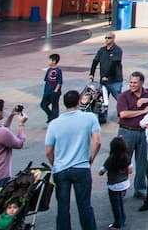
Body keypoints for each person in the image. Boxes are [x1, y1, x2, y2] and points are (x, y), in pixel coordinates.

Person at [45, 89, 103, 230]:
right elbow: (97, 142)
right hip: (81, 167)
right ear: (78, 102)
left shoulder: (54, 124)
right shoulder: (89, 118)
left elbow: (48, 151)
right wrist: (90, 159)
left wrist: (55, 164)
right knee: (84, 206)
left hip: (61, 169)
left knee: (63, 208)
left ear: (64, 103)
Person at [114, 71, 148, 199]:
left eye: (135, 82)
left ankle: (140, 188)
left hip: (143, 133)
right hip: (127, 131)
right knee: (123, 161)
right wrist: (143, 111)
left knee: (143, 162)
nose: (132, 85)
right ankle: (121, 187)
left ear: (142, 82)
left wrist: (147, 100)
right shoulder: (124, 96)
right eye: (130, 82)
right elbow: (123, 114)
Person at [99, 134, 132, 230]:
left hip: (113, 185)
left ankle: (117, 223)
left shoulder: (111, 159)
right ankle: (123, 218)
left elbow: (101, 171)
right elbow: (130, 170)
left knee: (115, 205)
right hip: (124, 183)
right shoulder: (127, 156)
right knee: (120, 202)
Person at [0, 100, 27, 189]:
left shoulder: (1, 131)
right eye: (3, 109)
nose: (4, 111)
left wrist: (11, 115)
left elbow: (4, 131)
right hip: (0, 177)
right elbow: (19, 144)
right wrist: (21, 124)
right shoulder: (1, 132)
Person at [89, 32, 125, 107]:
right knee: (103, 99)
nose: (107, 39)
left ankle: (124, 111)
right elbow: (95, 61)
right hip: (104, 81)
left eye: (109, 38)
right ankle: (103, 117)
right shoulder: (102, 50)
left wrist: (107, 76)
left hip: (115, 80)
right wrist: (91, 73)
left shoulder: (117, 50)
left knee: (119, 98)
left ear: (113, 39)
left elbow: (114, 64)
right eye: (106, 38)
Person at [42, 52, 63, 123]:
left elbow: (59, 81)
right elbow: (46, 80)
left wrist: (56, 90)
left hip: (54, 92)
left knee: (55, 106)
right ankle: (50, 116)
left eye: (49, 60)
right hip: (47, 91)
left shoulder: (58, 70)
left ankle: (54, 120)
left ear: (54, 61)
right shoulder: (49, 70)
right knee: (43, 105)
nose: (48, 61)